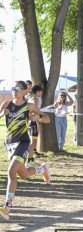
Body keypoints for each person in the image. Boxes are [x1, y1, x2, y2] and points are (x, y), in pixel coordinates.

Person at [0, 81, 51, 220]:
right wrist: (1, 114)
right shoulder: (6, 104)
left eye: (18, 89)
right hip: (9, 144)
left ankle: (7, 208)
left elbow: (48, 119)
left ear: (24, 92)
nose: (14, 91)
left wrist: (38, 117)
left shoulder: (29, 106)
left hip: (23, 143)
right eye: (13, 88)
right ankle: (42, 169)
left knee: (11, 171)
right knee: (23, 174)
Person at [27, 84, 44, 165]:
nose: (41, 93)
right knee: (33, 141)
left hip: (34, 121)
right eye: (41, 91)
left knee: (34, 140)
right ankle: (29, 159)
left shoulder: (33, 98)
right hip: (34, 121)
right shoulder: (35, 100)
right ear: (38, 91)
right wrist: (38, 123)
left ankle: (30, 157)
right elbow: (35, 112)